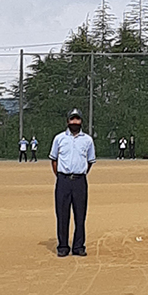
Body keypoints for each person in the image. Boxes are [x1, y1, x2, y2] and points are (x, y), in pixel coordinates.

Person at [49, 108, 96, 257]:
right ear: (67, 121)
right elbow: (54, 160)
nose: (74, 122)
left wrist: (79, 173)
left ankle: (78, 246)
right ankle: (63, 246)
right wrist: (61, 175)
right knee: (62, 214)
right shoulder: (59, 138)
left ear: (81, 121)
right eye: (72, 119)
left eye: (77, 119)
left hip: (79, 181)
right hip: (63, 180)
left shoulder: (87, 140)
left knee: (80, 214)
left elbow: (90, 161)